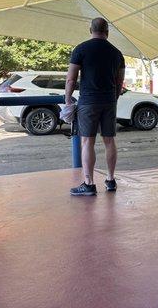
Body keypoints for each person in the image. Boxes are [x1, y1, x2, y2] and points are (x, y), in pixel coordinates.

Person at [65, 17, 125, 196]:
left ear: (90, 30)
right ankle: (111, 180)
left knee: (87, 141)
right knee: (109, 140)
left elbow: (71, 79)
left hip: (88, 102)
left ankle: (89, 184)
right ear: (107, 32)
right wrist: (113, 99)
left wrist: (68, 100)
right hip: (108, 102)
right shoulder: (117, 53)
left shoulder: (81, 49)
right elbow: (119, 82)